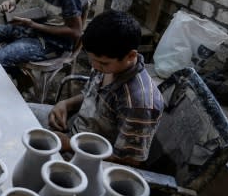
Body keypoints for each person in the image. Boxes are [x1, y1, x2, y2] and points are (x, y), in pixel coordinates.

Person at [31, 10, 165, 166]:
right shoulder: (107, 64)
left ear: (130, 56)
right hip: (75, 128)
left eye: (102, 63)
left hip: (91, 159)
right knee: (20, 114)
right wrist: (66, 104)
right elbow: (93, 95)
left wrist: (70, 145)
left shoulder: (138, 103)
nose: (95, 66)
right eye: (91, 60)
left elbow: (130, 160)